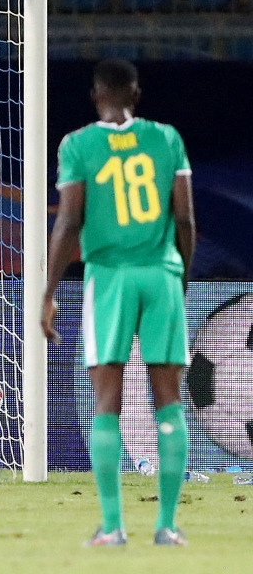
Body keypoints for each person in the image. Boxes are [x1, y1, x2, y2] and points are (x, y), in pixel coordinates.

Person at [41, 59, 196, 547]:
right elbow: (186, 219)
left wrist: (48, 293)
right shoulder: (167, 139)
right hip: (161, 275)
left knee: (107, 402)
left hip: (109, 279)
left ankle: (112, 528)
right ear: (136, 93)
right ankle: (167, 526)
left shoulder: (78, 145)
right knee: (169, 400)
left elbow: (67, 223)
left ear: (95, 95)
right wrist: (180, 277)